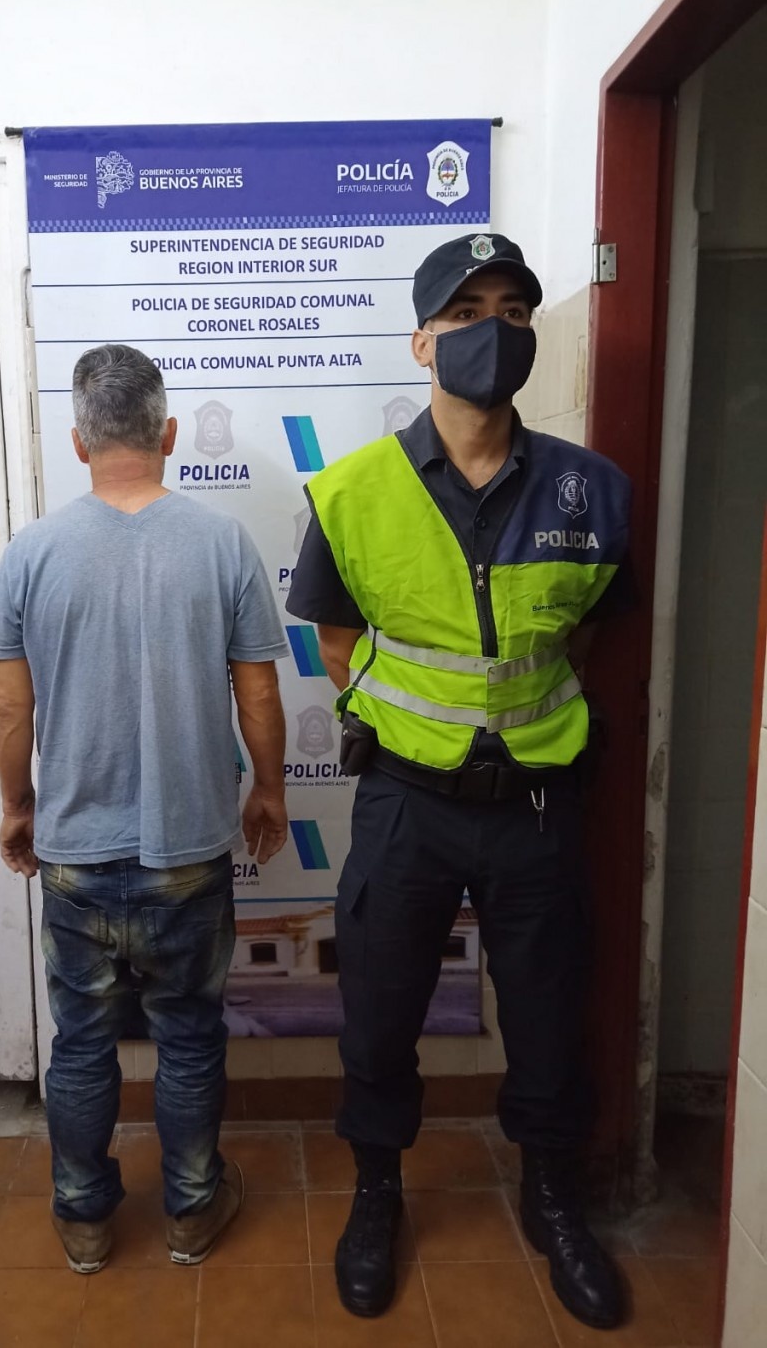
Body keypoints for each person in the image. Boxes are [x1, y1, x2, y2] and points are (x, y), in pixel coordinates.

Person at [286, 233, 635, 1329]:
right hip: (407, 805)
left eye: (514, 311)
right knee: (380, 1013)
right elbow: (338, 645)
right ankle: (376, 1194)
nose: (494, 329)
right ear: (422, 340)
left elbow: (585, 641)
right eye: (468, 311)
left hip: (537, 804)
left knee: (548, 1013)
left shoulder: (592, 489)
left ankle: (552, 1198)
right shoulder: (350, 492)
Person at [0, 344, 289, 1274]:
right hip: (188, 853)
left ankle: (83, 1219)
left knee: (80, 1043)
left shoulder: (31, 553)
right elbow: (259, 695)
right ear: (170, 433)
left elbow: (9, 708)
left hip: (74, 852)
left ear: (79, 442)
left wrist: (17, 806)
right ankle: (191, 1209)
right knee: (188, 1037)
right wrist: (269, 789)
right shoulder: (223, 543)